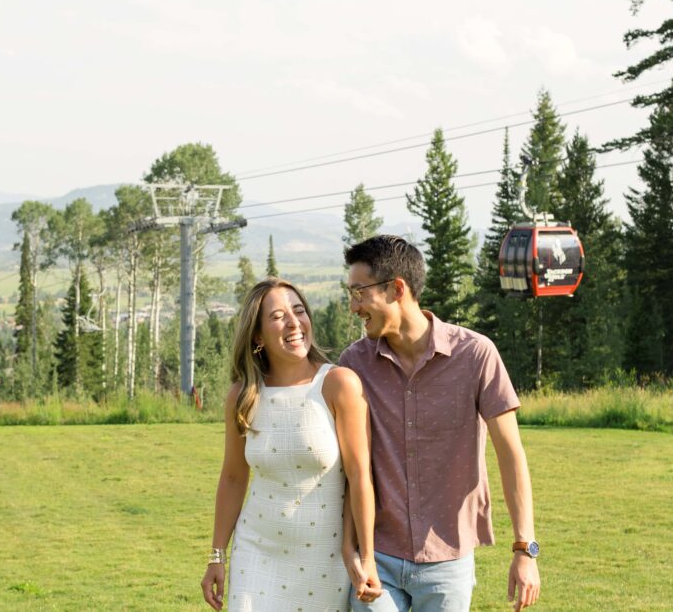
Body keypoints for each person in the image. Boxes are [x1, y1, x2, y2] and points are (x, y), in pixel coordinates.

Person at [338, 236, 541, 612]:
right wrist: (351, 550)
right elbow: (349, 468)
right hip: (377, 557)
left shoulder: (476, 355)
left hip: (449, 559)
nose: (353, 307)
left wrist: (525, 549)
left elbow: (511, 455)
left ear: (397, 288)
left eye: (359, 293)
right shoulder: (354, 364)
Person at [201, 278, 383, 611]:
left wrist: (366, 556)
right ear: (258, 336)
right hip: (255, 552)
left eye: (299, 311)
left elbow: (360, 477)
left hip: (324, 559)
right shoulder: (242, 396)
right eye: (278, 316)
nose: (294, 322)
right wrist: (217, 556)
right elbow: (232, 478)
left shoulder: (338, 384)